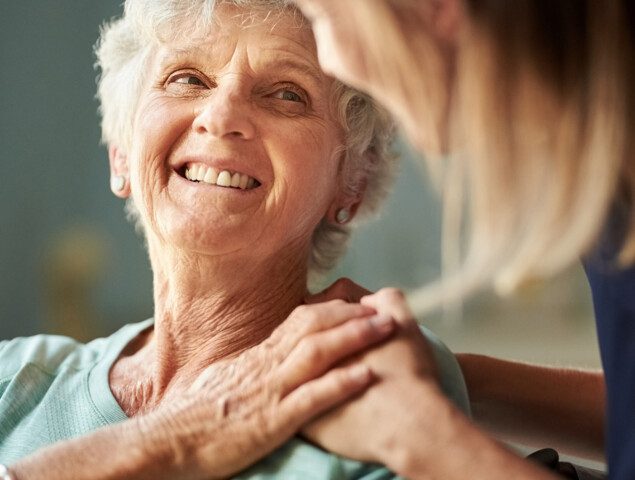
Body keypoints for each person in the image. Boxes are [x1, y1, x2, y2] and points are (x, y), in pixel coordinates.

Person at [0, 1, 470, 479]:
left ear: (352, 181)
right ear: (120, 155)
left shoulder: (380, 400)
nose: (221, 116)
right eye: (187, 79)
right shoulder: (12, 376)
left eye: (287, 95)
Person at [289, 0, 634, 479]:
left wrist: (424, 440)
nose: (330, 59)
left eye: (324, 15)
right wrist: (443, 377)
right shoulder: (608, 169)